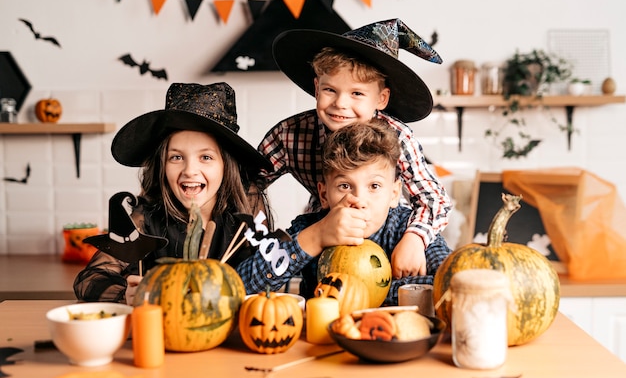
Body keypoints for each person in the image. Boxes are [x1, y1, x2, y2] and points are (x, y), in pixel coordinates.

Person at [256, 18, 452, 281]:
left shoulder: (398, 136)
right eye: (330, 90)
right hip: (325, 224)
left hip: (389, 229)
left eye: (357, 94)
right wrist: (256, 229)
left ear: (381, 99)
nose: (341, 104)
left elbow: (434, 198)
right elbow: (246, 183)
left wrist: (415, 238)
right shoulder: (289, 135)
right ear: (316, 88)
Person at [73, 82, 273, 305]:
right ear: (162, 165)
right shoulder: (146, 217)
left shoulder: (248, 204)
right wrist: (124, 294)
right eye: (176, 157)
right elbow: (90, 279)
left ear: (226, 165)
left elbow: (267, 274)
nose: (189, 170)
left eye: (205, 157)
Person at [242, 119, 451, 305]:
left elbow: (453, 280)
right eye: (344, 186)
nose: (359, 201)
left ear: (394, 193)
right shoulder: (308, 228)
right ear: (323, 195)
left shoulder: (407, 230)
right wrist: (316, 238)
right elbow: (243, 287)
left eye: (374, 186)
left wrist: (369, 293)